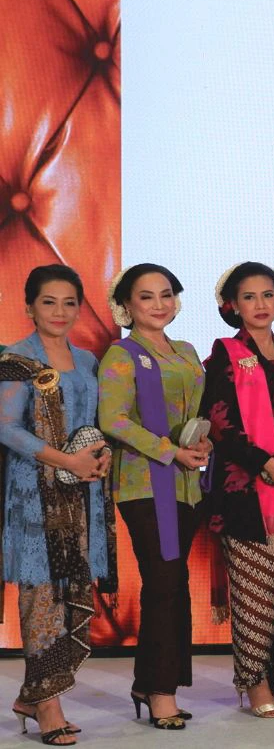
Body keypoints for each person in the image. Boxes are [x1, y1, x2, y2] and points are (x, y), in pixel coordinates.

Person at [0, 266, 115, 746]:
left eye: (70, 302)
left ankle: (33, 695)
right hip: (35, 494)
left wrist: (100, 456)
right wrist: (65, 460)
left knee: (71, 591)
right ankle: (48, 704)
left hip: (83, 492)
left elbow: (94, 423)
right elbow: (6, 428)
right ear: (29, 306)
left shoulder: (87, 360)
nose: (60, 312)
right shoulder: (15, 359)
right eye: (49, 302)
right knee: (42, 594)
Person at [98, 264, 210, 729]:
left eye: (167, 294)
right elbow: (113, 420)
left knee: (173, 585)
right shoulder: (121, 355)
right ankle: (161, 691)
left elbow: (197, 410)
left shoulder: (186, 351)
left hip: (187, 485)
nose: (159, 304)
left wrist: (202, 443)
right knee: (163, 584)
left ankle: (151, 683)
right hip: (144, 484)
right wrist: (170, 451)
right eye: (146, 297)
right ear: (127, 305)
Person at [200, 263, 274, 719]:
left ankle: (273, 676)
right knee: (254, 593)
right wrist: (267, 464)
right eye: (249, 296)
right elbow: (219, 425)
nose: (260, 304)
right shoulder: (225, 354)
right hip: (243, 490)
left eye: (268, 294)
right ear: (233, 305)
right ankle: (254, 682)